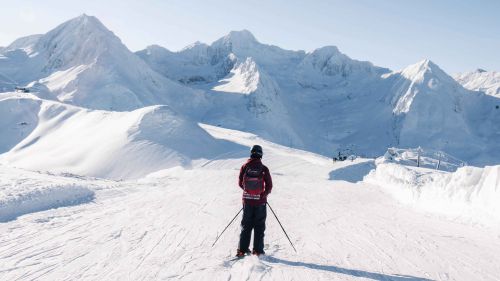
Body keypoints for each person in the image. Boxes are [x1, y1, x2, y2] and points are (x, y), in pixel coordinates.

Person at [236, 145, 273, 257]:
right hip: (260, 203)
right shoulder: (264, 168)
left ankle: (242, 250)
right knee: (259, 226)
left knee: (246, 226)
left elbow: (240, 183)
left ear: (251, 153)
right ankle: (257, 250)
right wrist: (262, 195)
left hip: (247, 202)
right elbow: (269, 186)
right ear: (261, 154)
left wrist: (248, 193)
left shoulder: (245, 167)